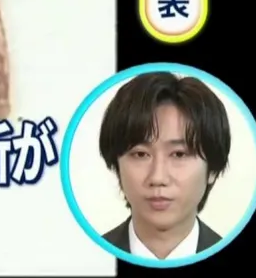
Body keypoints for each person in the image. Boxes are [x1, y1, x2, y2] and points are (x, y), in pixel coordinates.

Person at [96, 71, 231, 259]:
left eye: (179, 154)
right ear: (116, 164)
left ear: (213, 169)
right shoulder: (85, 260)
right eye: (141, 154)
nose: (158, 177)